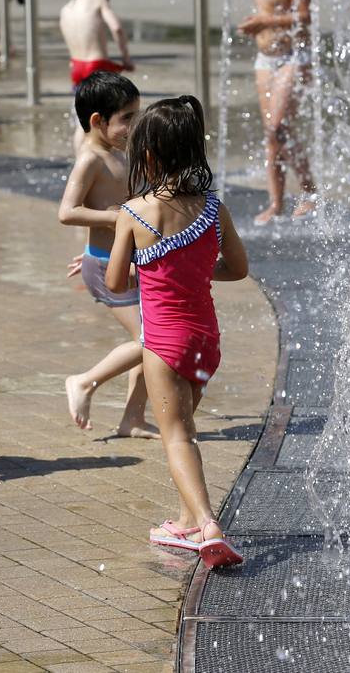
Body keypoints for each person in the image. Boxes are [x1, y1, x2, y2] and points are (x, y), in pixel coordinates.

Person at [107, 96, 249, 569]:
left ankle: (208, 525)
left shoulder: (134, 212)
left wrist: (150, 274)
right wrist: (194, 274)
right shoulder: (213, 209)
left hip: (165, 344)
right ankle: (186, 522)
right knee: (185, 429)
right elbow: (239, 268)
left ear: (147, 155)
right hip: (206, 341)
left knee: (176, 437)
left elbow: (114, 282)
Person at [58, 72, 157, 439]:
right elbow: (67, 212)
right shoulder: (91, 159)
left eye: (137, 114)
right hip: (105, 265)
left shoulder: (117, 152)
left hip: (120, 262)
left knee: (152, 340)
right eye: (127, 118)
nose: (135, 124)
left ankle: (133, 418)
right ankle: (85, 382)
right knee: (153, 340)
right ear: (97, 121)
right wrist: (117, 218)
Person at [239, 0, 317, 225]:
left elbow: (307, 17)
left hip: (293, 58)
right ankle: (277, 202)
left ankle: (310, 192)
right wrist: (256, 26)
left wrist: (264, 22)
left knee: (278, 128)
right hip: (265, 61)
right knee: (273, 135)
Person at [60, 0, 133, 153]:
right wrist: (125, 58)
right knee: (112, 117)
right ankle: (110, 161)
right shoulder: (98, 0)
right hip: (98, 66)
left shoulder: (66, 8)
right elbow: (116, 28)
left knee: (82, 121)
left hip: (76, 68)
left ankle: (81, 160)